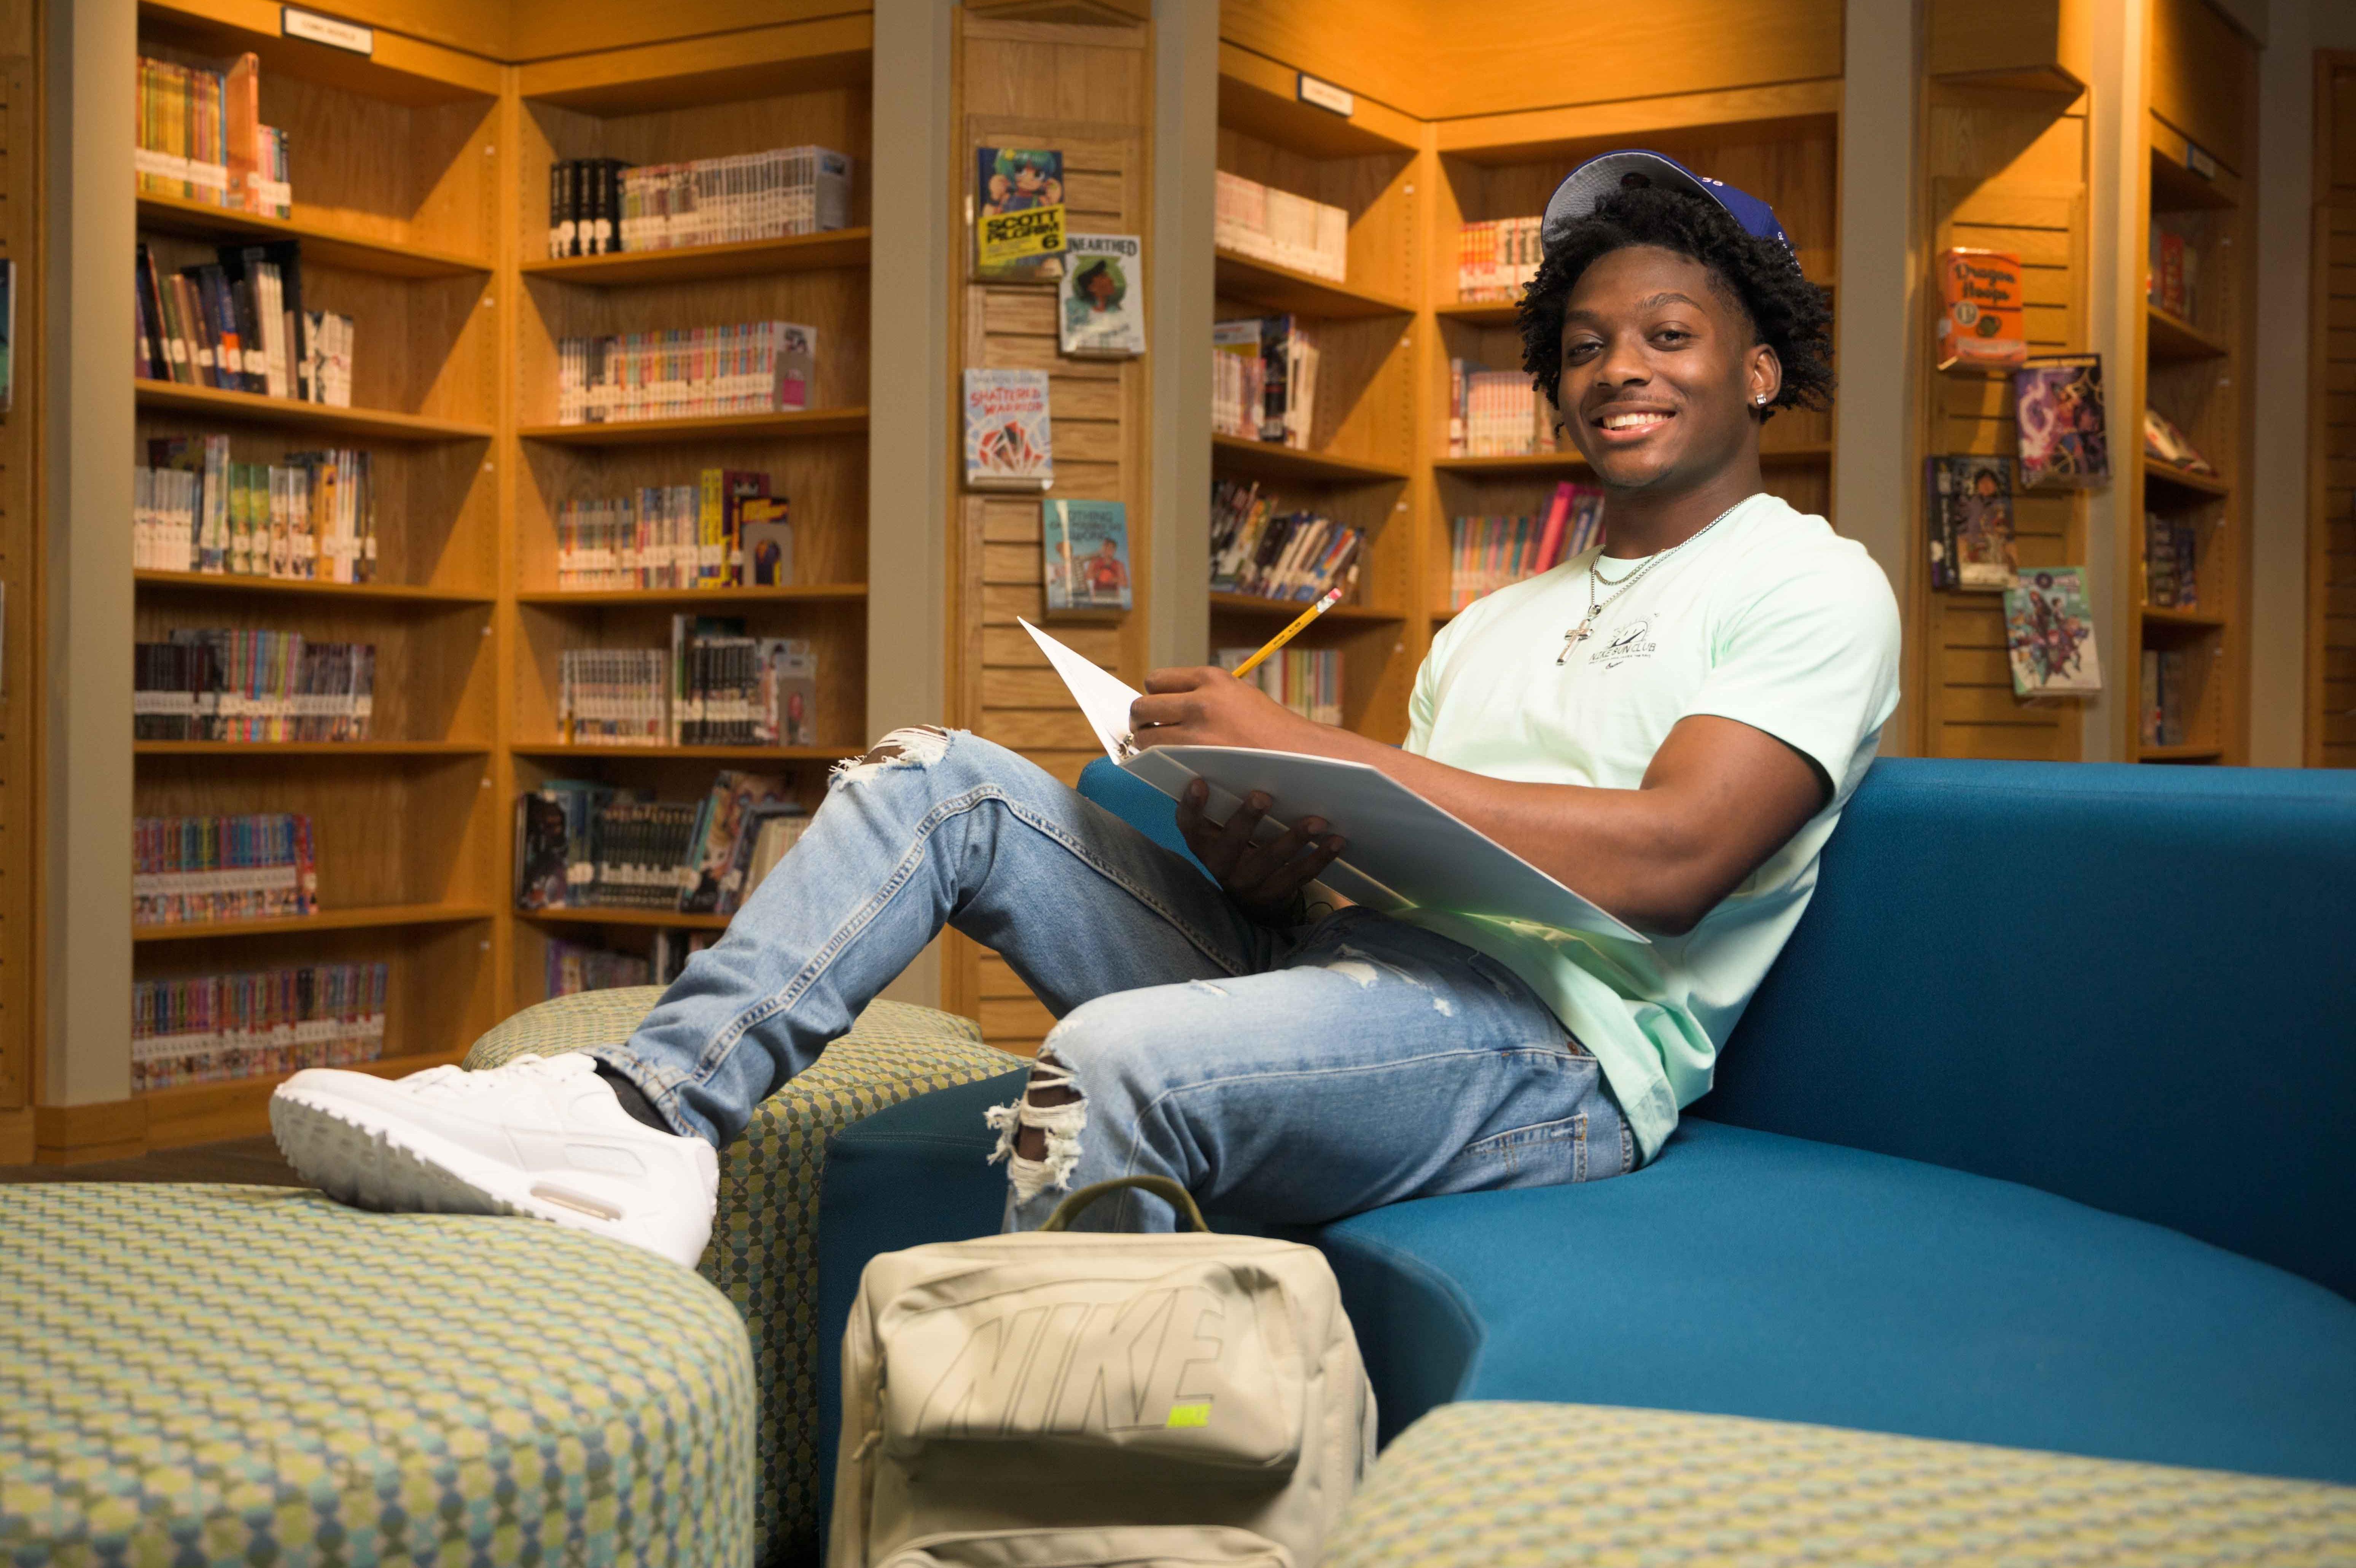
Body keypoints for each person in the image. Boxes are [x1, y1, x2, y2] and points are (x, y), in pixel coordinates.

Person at [271, 151, 1899, 1269]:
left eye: (1674, 335)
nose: (1625, 366)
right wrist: (1276, 852)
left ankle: (1062, 1467)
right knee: (940, 775)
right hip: (1358, 980)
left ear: (1760, 370)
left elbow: (1677, 857)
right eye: (1591, 342)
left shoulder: (1813, 586)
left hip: (1552, 1056)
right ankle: (648, 1113)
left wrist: (1322, 744)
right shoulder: (1499, 621)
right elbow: (1416, 866)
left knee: (1111, 1054)